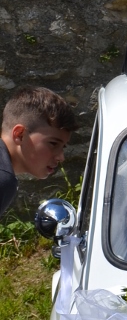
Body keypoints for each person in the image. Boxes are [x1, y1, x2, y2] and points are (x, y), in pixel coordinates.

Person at [0, 86, 76, 221]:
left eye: (63, 147)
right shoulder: (4, 179)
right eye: (53, 143)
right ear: (20, 135)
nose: (61, 157)